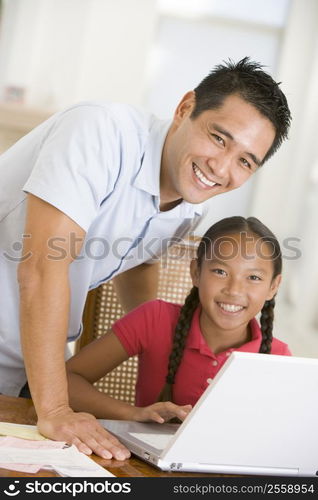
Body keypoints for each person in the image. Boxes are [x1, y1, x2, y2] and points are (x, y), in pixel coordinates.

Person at [0, 57, 291, 459]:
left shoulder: (191, 203)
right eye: (219, 138)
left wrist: (162, 347)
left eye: (245, 161)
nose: (220, 168)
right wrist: (55, 408)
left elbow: (141, 258)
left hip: (26, 372)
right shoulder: (99, 131)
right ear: (185, 108)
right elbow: (41, 268)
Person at [65, 216, 291, 425]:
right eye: (220, 271)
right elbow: (65, 380)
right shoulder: (155, 318)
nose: (234, 290)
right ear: (196, 271)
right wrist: (134, 413)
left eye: (253, 277)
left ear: (273, 286)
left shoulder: (279, 358)